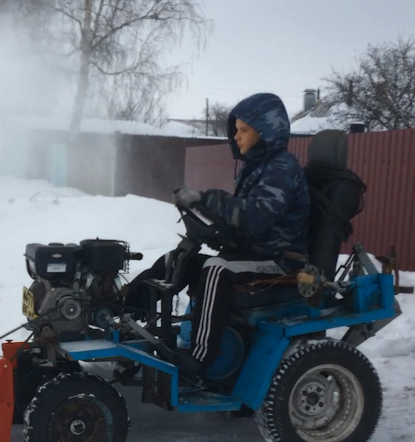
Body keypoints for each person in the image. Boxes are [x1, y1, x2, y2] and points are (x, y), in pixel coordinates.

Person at [128, 92, 310, 373]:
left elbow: (255, 216)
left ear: (266, 131)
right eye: (236, 130)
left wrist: (205, 200)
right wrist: (213, 226)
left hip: (281, 261)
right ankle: (125, 311)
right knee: (179, 260)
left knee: (216, 270)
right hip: (255, 253)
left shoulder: (281, 168)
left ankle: (200, 359)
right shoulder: (255, 168)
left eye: (244, 130)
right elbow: (242, 220)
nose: (236, 137)